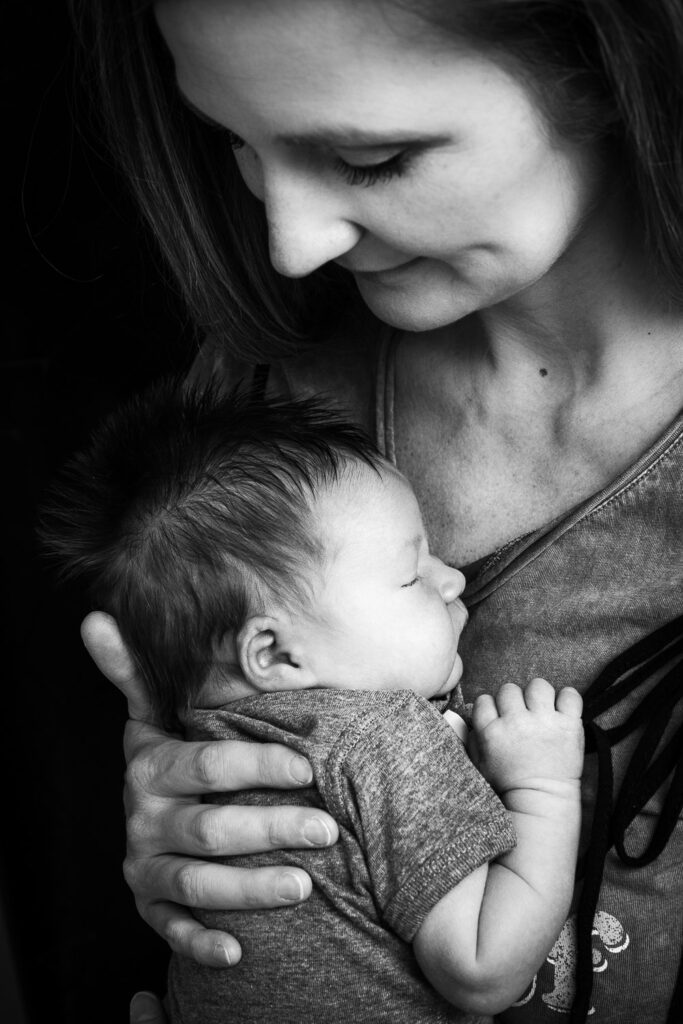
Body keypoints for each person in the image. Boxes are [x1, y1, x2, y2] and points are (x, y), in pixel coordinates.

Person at [67, 1, 683, 1022]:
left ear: (604, 67)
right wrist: (183, 805)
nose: (291, 243)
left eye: (371, 158)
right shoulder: (257, 409)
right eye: (236, 142)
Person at [42, 378, 583, 1023]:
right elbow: (482, 970)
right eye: (412, 574)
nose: (452, 579)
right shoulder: (383, 739)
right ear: (274, 656)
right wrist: (544, 790)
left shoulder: (204, 742)